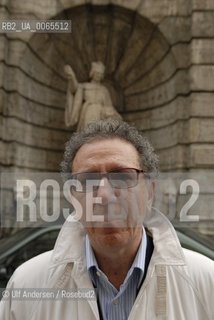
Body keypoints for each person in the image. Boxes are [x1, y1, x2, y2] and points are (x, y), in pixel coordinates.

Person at [0, 119, 213, 320]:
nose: (104, 194)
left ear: (149, 192)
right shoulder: (26, 285)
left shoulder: (206, 283)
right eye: (88, 180)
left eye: (122, 176)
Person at [64, 62, 122, 130]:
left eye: (100, 74)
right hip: (88, 111)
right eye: (97, 73)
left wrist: (115, 115)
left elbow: (108, 106)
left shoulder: (104, 90)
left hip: (101, 114)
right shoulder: (84, 86)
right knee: (88, 132)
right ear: (92, 73)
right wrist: (72, 77)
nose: (98, 76)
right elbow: (73, 89)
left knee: (98, 133)